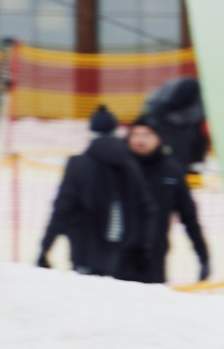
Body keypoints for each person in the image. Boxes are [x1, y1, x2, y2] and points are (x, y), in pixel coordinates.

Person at [36, 106, 152, 279]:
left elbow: (62, 209)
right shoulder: (131, 165)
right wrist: (144, 249)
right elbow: (147, 209)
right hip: (123, 256)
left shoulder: (78, 165)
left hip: (84, 253)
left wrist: (45, 249)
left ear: (90, 132)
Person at [120, 114, 211, 285]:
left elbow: (189, 218)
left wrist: (203, 257)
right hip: (117, 256)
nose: (140, 140)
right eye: (135, 134)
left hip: (154, 256)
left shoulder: (171, 171)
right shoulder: (118, 168)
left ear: (159, 138)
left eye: (147, 134)